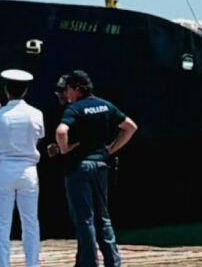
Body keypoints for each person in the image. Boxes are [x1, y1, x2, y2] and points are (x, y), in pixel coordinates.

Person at [54, 70, 137, 267]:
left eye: (67, 90)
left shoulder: (75, 109)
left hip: (79, 168)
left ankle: (89, 263)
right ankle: (113, 261)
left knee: (85, 219)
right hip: (101, 165)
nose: (66, 94)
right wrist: (111, 149)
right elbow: (131, 127)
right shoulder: (105, 105)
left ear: (76, 89)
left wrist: (64, 150)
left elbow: (61, 131)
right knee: (103, 218)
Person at [0, 69, 45, 267]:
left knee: (2, 223)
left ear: (6, 90)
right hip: (28, 170)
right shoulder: (36, 114)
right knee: (30, 222)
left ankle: (3, 264)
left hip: (2, 170)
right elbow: (39, 137)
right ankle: (32, 264)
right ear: (25, 90)